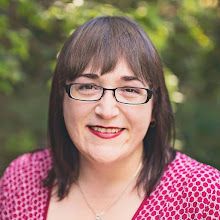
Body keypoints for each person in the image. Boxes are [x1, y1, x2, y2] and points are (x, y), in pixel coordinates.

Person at [0, 16, 219, 220]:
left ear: (154, 107)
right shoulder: (22, 180)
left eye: (130, 90)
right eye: (88, 87)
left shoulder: (202, 194)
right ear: (62, 98)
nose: (106, 110)